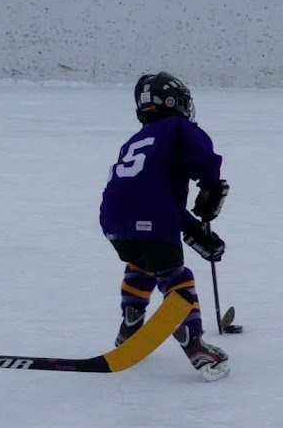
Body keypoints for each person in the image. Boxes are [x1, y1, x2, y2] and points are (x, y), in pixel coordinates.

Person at [99, 72, 231, 382]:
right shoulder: (178, 127)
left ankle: (129, 329)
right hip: (152, 216)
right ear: (173, 102)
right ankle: (194, 342)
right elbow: (204, 157)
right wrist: (210, 185)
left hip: (112, 219)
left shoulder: (135, 140)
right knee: (174, 275)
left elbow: (149, 197)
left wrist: (192, 228)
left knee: (141, 263)